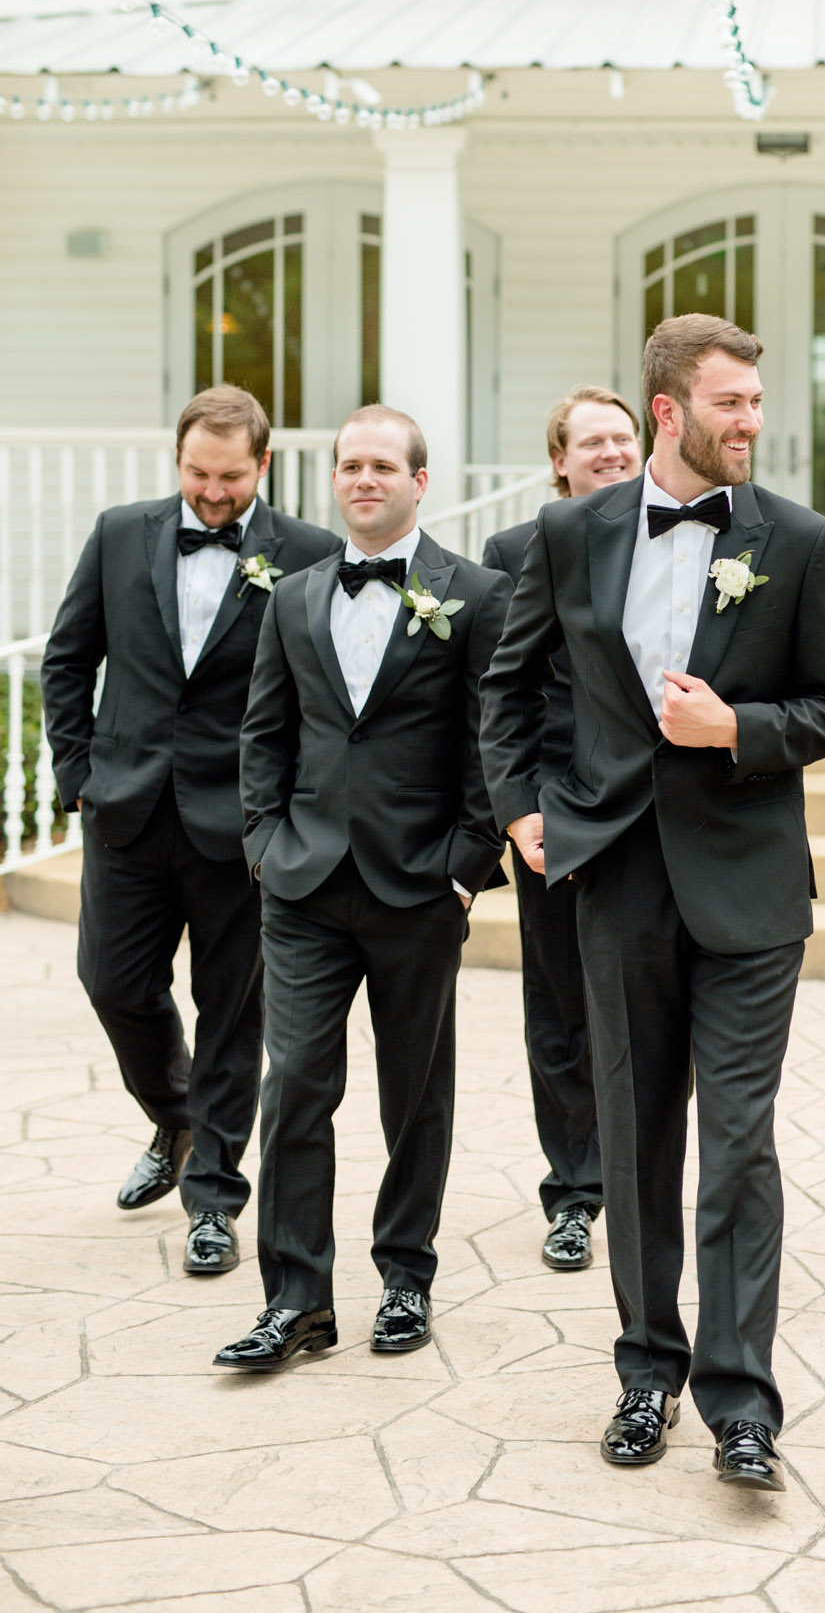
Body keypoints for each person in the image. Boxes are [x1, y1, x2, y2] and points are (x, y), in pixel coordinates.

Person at [480, 314, 825, 1491]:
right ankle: (645, 1372)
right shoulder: (568, 530)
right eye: (729, 402)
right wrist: (518, 806)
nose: (750, 420)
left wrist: (738, 728)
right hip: (611, 872)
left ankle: (741, 1400)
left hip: (749, 885)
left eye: (756, 400)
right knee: (635, 1137)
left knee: (736, 1141)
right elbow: (507, 685)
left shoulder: (795, 541)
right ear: (667, 411)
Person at [213, 405, 510, 1370]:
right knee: (295, 1082)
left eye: (384, 465)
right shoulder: (294, 596)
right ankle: (296, 1298)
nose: (364, 479)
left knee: (413, 1095)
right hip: (302, 883)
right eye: (350, 465)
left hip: (419, 884)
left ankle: (404, 1278)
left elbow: (491, 739)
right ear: (333, 480)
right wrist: (262, 841)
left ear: (420, 481)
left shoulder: (475, 594)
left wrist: (467, 866)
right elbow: (265, 731)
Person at [41, 387, 339, 1275]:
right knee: (113, 983)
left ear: (265, 463)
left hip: (240, 825)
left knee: (233, 1012)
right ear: (177, 460)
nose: (212, 493)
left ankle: (214, 1196)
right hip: (126, 809)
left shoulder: (308, 554)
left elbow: (317, 696)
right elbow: (68, 657)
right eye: (198, 475)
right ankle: (174, 1116)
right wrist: (78, 778)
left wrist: (292, 811)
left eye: (231, 477)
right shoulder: (119, 531)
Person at [482, 386, 642, 1273]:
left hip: (654, 807)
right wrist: (516, 806)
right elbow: (499, 686)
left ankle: (642, 1175)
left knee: (645, 1004)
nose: (611, 453)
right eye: (592, 442)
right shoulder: (517, 549)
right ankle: (576, 1192)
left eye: (622, 438)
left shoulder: (671, 533)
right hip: (558, 810)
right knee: (559, 1005)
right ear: (560, 459)